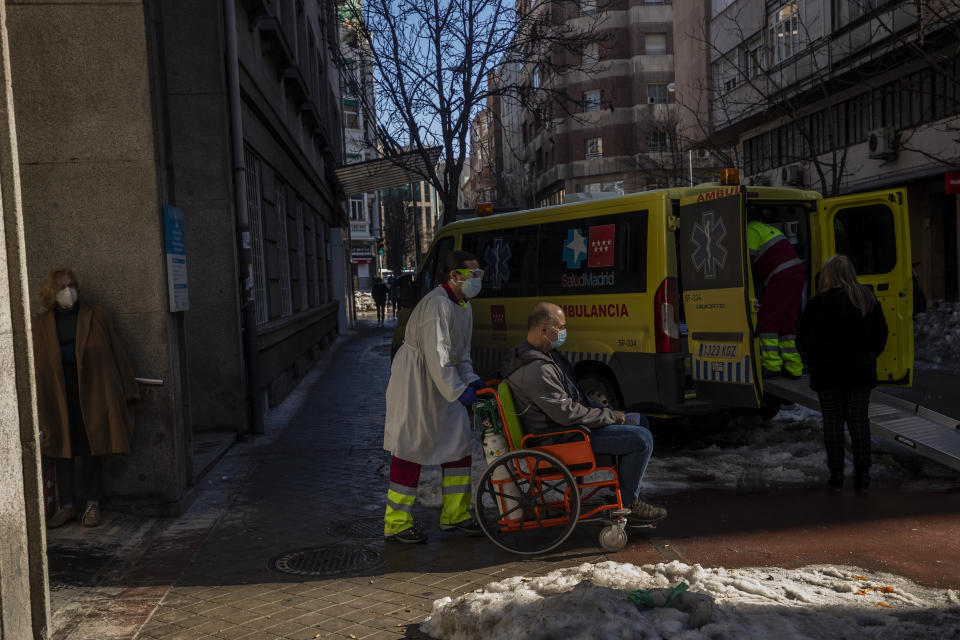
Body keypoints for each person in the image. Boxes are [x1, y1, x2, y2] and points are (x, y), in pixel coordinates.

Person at [501, 302, 666, 525]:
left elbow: (575, 394)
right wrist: (609, 417)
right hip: (561, 438)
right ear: (543, 329)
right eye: (560, 327)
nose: (563, 332)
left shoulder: (545, 356)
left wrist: (607, 411)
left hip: (568, 430)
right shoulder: (536, 370)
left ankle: (625, 493)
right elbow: (566, 414)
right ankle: (628, 503)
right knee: (642, 439)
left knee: (639, 420)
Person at [382, 251, 485, 543]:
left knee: (458, 442)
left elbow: (459, 354)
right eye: (471, 274)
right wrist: (459, 391)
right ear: (454, 276)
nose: (477, 279)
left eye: (479, 274)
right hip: (415, 383)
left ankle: (455, 513)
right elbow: (438, 357)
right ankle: (397, 522)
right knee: (410, 447)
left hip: (440, 379)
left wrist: (472, 380)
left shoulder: (464, 305)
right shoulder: (437, 306)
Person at [33, 268, 140, 528]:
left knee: (94, 446)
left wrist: (128, 391)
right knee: (61, 448)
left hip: (93, 392)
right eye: (61, 288)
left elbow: (115, 352)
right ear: (51, 294)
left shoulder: (96, 316)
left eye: (71, 285)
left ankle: (93, 503)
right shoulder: (40, 324)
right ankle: (66, 506)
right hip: (58, 393)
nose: (67, 291)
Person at [797, 255, 888, 492]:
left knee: (833, 422)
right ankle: (862, 473)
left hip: (827, 373)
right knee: (858, 421)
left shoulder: (818, 303)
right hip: (860, 372)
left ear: (826, 275)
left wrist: (812, 361)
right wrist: (868, 357)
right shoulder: (866, 298)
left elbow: (804, 339)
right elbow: (880, 335)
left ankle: (836, 473)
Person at [747, 214, 807, 379]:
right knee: (787, 323)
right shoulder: (767, 229)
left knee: (767, 320)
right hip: (796, 275)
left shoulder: (750, 230)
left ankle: (771, 365)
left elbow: (745, 263)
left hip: (782, 276)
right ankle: (794, 367)